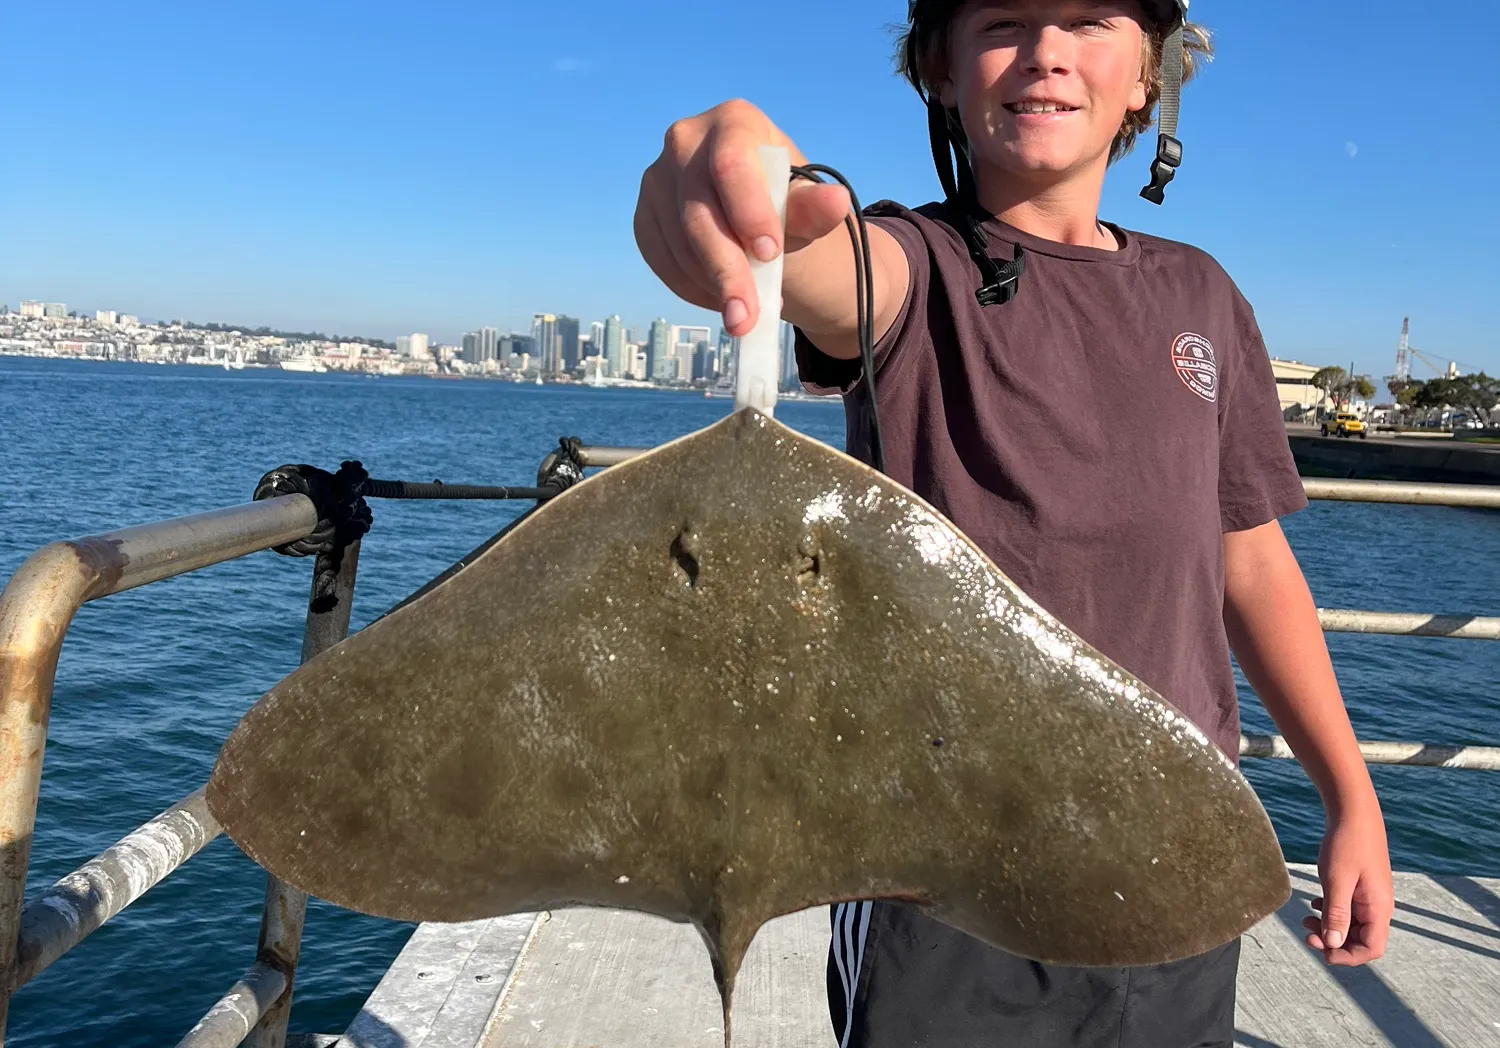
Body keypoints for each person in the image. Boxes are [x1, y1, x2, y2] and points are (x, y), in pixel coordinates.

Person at [633, 2, 1395, 1045]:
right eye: (1003, 20)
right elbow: (822, 268)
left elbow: (1251, 567)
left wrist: (1350, 795)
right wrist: (735, 187)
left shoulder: (1203, 296)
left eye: (1087, 19)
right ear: (940, 69)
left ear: (1148, 77)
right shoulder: (912, 263)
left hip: (1172, 839)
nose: (1044, 52)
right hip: (941, 868)